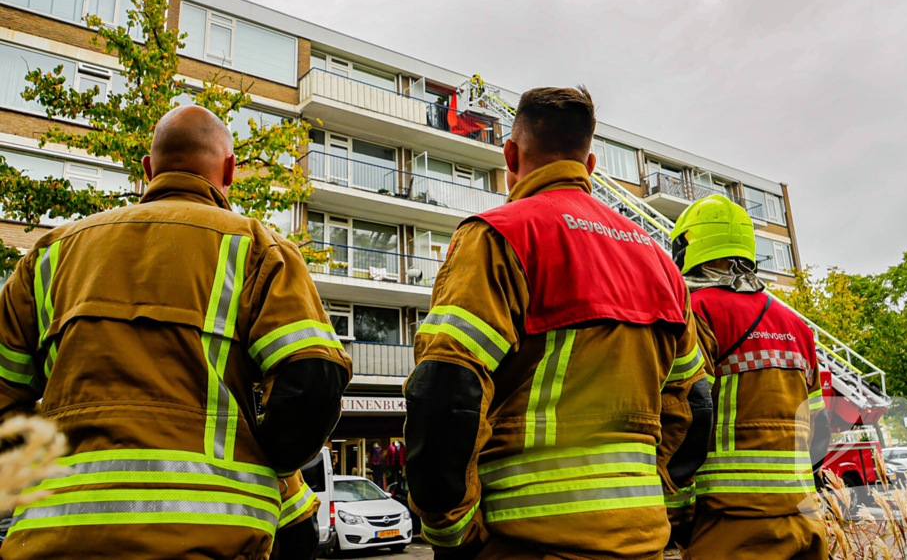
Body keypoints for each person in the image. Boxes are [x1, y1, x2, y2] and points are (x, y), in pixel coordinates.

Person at [0, 105, 352, 560]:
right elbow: (312, 382)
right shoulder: (259, 250)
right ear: (229, 170)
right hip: (210, 538)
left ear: (148, 169)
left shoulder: (49, 256)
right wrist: (273, 466)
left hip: (52, 540)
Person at [404, 86, 712, 560]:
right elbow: (695, 404)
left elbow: (446, 390)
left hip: (525, 543)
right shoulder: (661, 264)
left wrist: (452, 532)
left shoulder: (498, 237)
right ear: (589, 166)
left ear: (510, 154)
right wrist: (656, 500)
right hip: (642, 541)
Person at [669, 195, 830, 560]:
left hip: (730, 529)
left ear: (686, 248)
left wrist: (674, 515)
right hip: (804, 525)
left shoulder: (695, 313)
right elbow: (819, 431)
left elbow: (686, 421)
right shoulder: (796, 326)